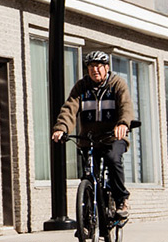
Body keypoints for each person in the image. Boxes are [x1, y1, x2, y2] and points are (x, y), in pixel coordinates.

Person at [51, 50, 134, 218]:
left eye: (98, 66)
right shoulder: (82, 87)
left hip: (113, 137)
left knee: (112, 159)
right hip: (89, 139)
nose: (94, 70)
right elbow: (69, 108)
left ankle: (121, 200)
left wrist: (123, 124)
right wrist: (62, 128)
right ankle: (89, 219)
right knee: (89, 175)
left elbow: (126, 107)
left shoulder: (117, 84)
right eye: (91, 67)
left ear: (107, 68)